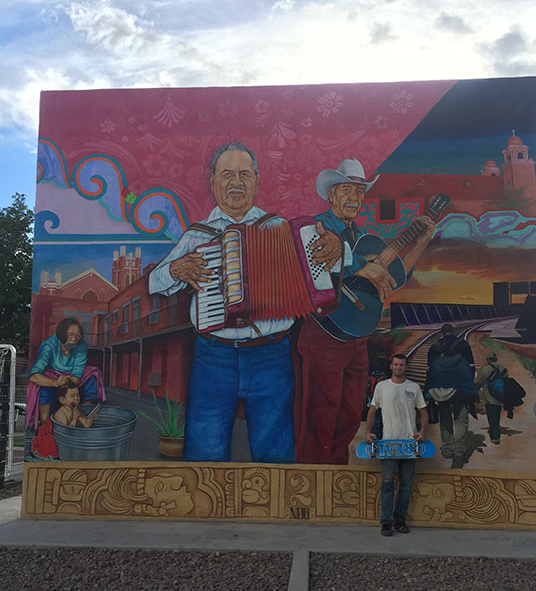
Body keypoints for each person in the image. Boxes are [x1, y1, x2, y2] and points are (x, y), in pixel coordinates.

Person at [149, 142, 340, 463]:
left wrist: (336, 250)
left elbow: (327, 266)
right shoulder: (197, 236)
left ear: (256, 179)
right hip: (213, 357)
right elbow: (156, 282)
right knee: (204, 452)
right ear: (213, 181)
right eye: (227, 174)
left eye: (244, 174)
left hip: (272, 356)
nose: (236, 182)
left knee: (276, 453)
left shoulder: (280, 229)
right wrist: (174, 268)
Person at [296, 158, 435, 464]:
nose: (354, 198)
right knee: (321, 413)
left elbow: (393, 276)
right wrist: (362, 267)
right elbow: (317, 261)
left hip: (357, 338)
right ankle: (315, 480)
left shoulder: (362, 238)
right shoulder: (314, 228)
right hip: (325, 334)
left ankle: (335, 474)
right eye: (347, 190)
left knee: (347, 416)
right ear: (331, 194)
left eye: (360, 192)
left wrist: (421, 242)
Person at [364, 353, 427, 536]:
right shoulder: (382, 387)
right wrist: (368, 432)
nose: (399, 367)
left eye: (402, 365)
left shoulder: (413, 388)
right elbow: (372, 410)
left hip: (409, 443)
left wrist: (422, 432)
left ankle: (400, 520)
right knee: (388, 481)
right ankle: (386, 522)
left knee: (406, 484)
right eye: (396, 364)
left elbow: (423, 411)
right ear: (391, 366)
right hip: (388, 443)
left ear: (406, 368)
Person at [27, 317, 106, 428]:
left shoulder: (81, 346)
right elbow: (34, 375)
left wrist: (72, 379)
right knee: (41, 385)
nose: (74, 339)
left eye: (78, 336)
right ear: (62, 333)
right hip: (52, 375)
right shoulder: (48, 346)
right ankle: (45, 425)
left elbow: (78, 371)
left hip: (71, 376)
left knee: (94, 373)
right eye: (71, 334)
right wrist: (55, 382)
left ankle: (85, 412)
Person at [425, 323, 477, 469]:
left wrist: (429, 392)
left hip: (441, 390)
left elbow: (429, 372)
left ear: (442, 333)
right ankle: (458, 453)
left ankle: (447, 449)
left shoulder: (434, 347)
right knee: (461, 419)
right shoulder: (463, 345)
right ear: (452, 332)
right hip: (460, 388)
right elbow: (472, 368)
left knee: (445, 417)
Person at [475, 352, 508, 444]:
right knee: (496, 416)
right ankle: (495, 431)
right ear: (496, 359)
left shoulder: (485, 369)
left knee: (492, 417)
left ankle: (495, 437)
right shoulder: (503, 369)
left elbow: (477, 382)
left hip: (489, 398)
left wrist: (475, 392)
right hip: (500, 397)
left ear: (488, 360)